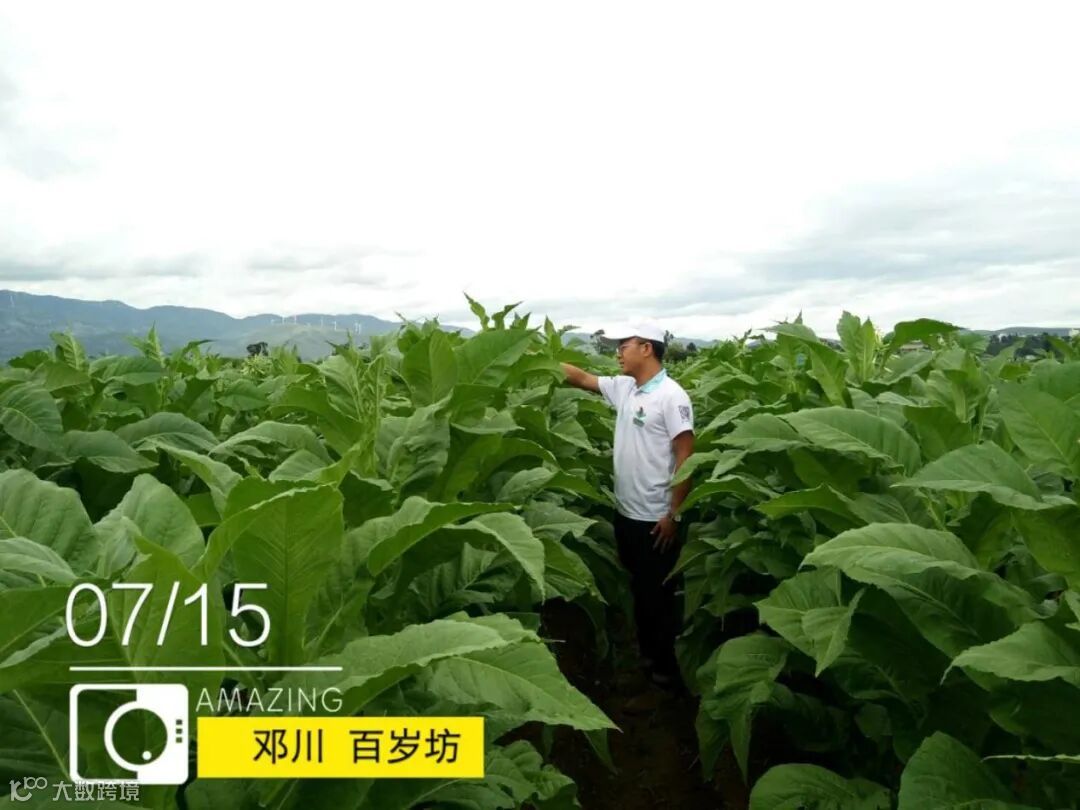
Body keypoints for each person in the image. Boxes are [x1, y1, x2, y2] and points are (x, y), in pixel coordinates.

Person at [561, 323, 695, 688]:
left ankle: (665, 677)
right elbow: (581, 378)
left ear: (647, 348)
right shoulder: (625, 388)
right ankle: (646, 660)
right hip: (626, 514)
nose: (618, 352)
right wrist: (531, 357)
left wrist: (674, 515)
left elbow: (686, 457)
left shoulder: (671, 396)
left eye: (624, 345)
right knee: (640, 590)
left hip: (656, 520)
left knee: (658, 600)